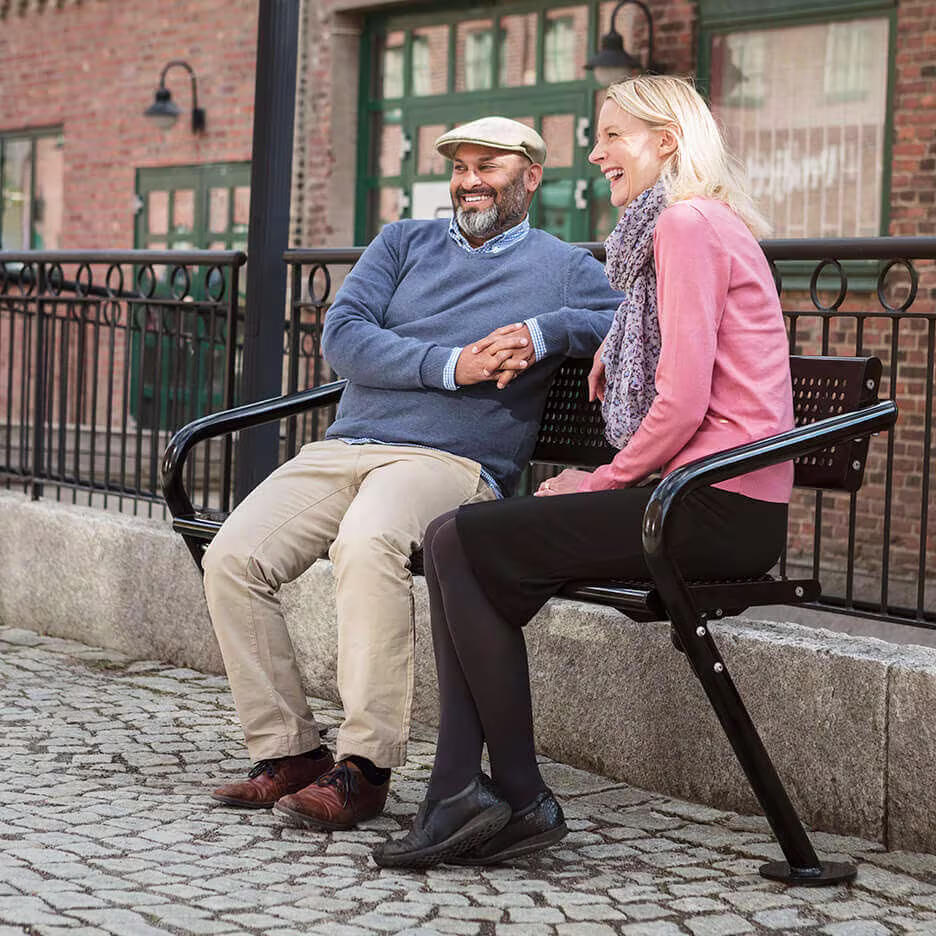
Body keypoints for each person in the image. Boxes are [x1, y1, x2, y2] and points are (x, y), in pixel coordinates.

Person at [373, 75, 794, 869]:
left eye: (613, 136)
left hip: (709, 506)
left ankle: (507, 796)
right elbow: (679, 349)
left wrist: (601, 481)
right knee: (457, 548)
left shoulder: (687, 225)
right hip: (706, 494)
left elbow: (681, 402)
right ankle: (464, 792)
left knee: (457, 540)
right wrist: (612, 340)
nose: (596, 153)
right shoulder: (682, 229)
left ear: (666, 141)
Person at [201, 116, 621, 831]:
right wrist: (449, 365)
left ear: (531, 175)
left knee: (367, 545)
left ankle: (364, 768)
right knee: (233, 556)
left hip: (452, 462)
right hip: (347, 447)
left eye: (487, 166)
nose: (469, 182)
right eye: (460, 168)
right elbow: (345, 336)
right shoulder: (402, 242)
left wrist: (543, 331)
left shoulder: (562, 265)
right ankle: (291, 750)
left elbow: (623, 319)